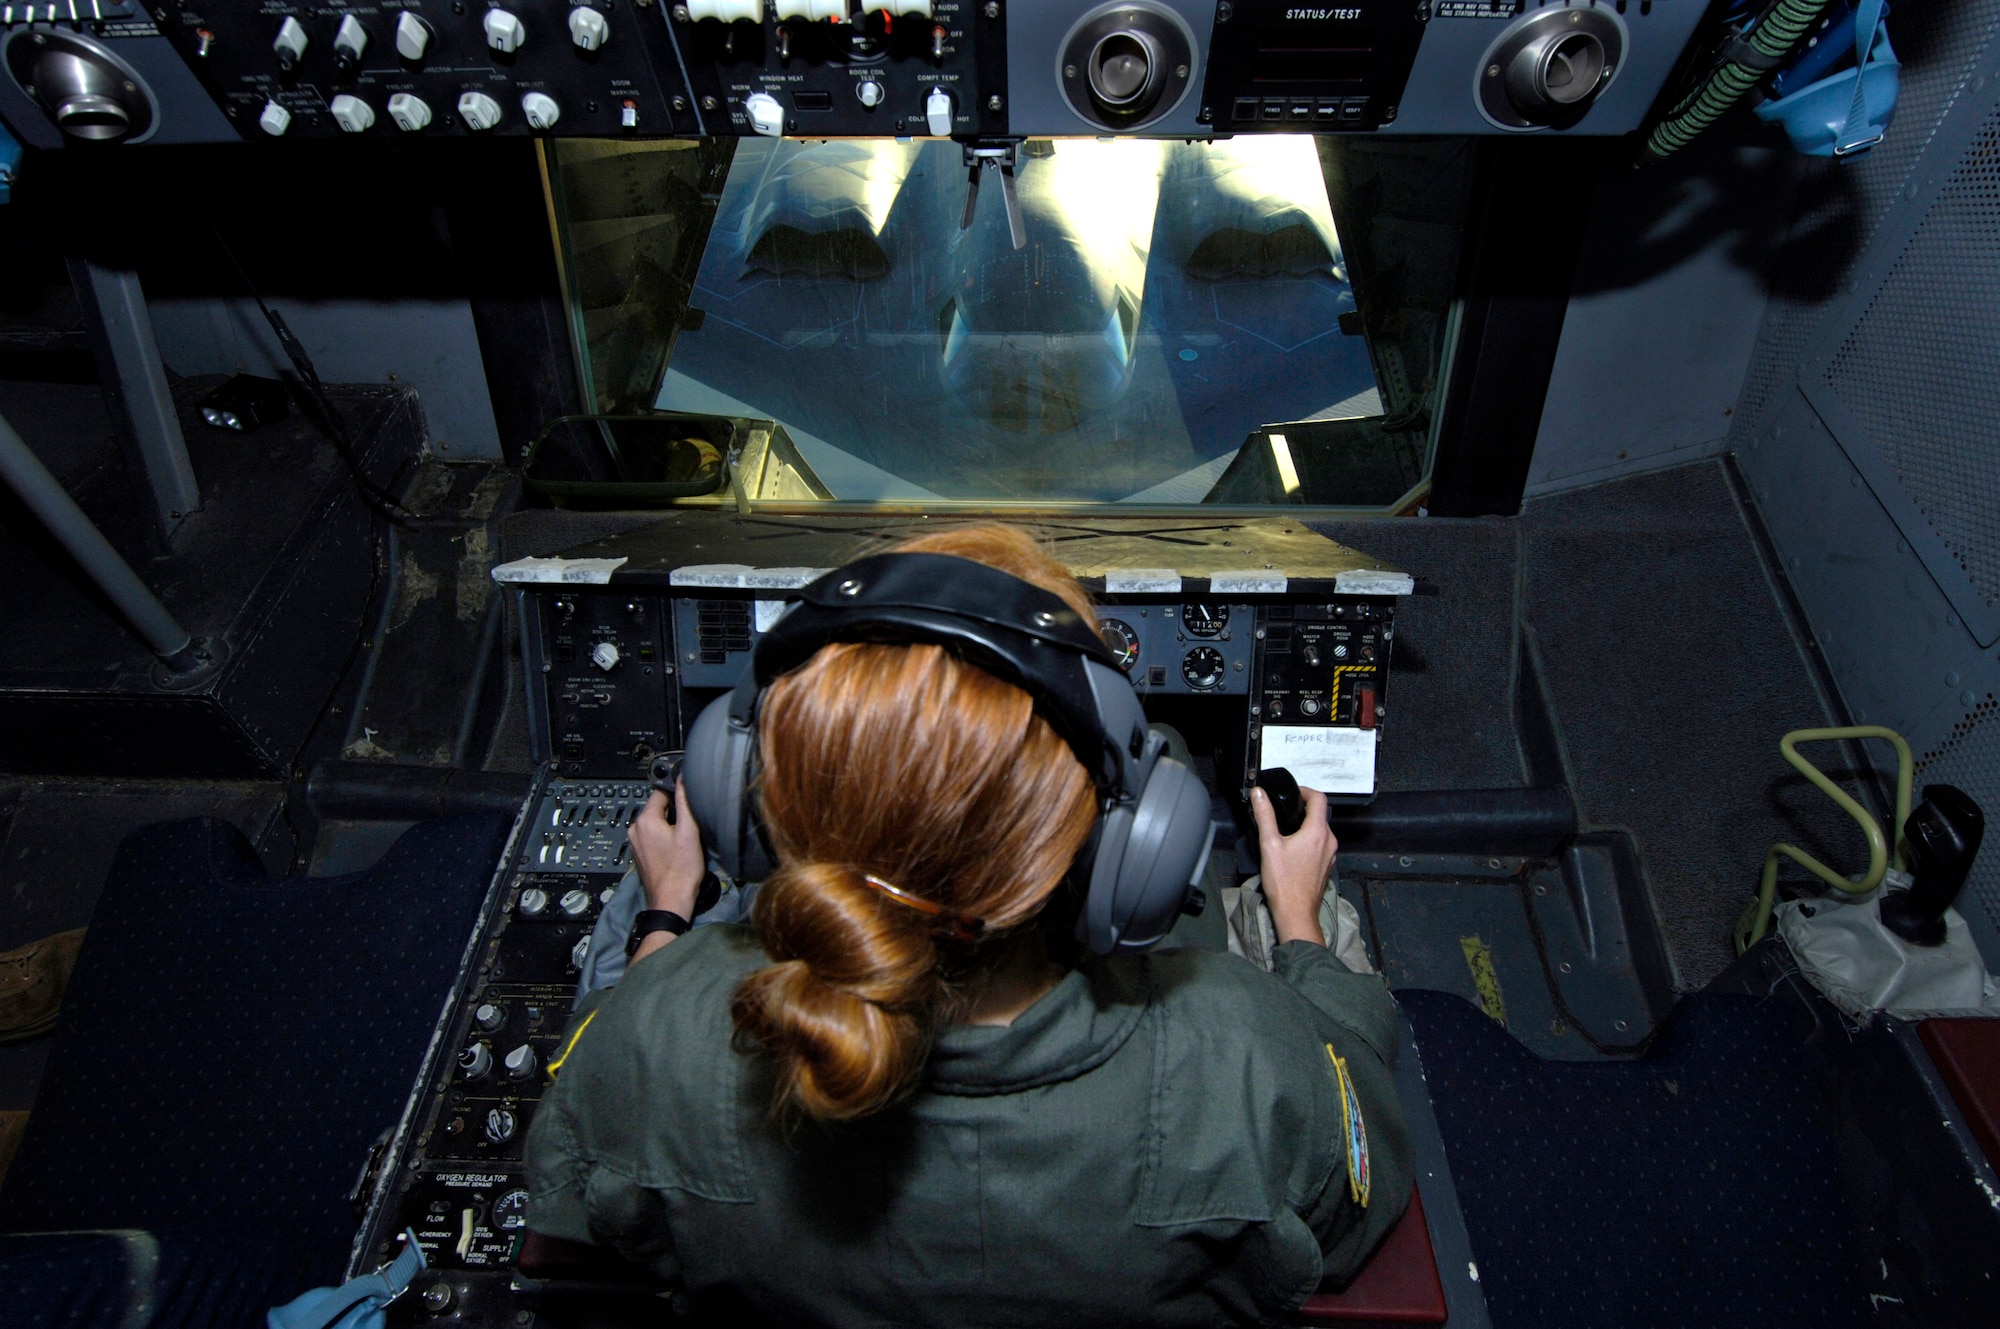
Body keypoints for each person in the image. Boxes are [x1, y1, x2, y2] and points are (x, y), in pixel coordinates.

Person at [525, 524, 1412, 1327]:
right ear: (1126, 853)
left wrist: (663, 915)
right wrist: (1296, 921)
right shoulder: (1246, 1059)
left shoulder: (663, 1032)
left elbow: (567, 1188)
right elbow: (1360, 1197)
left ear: (747, 803)